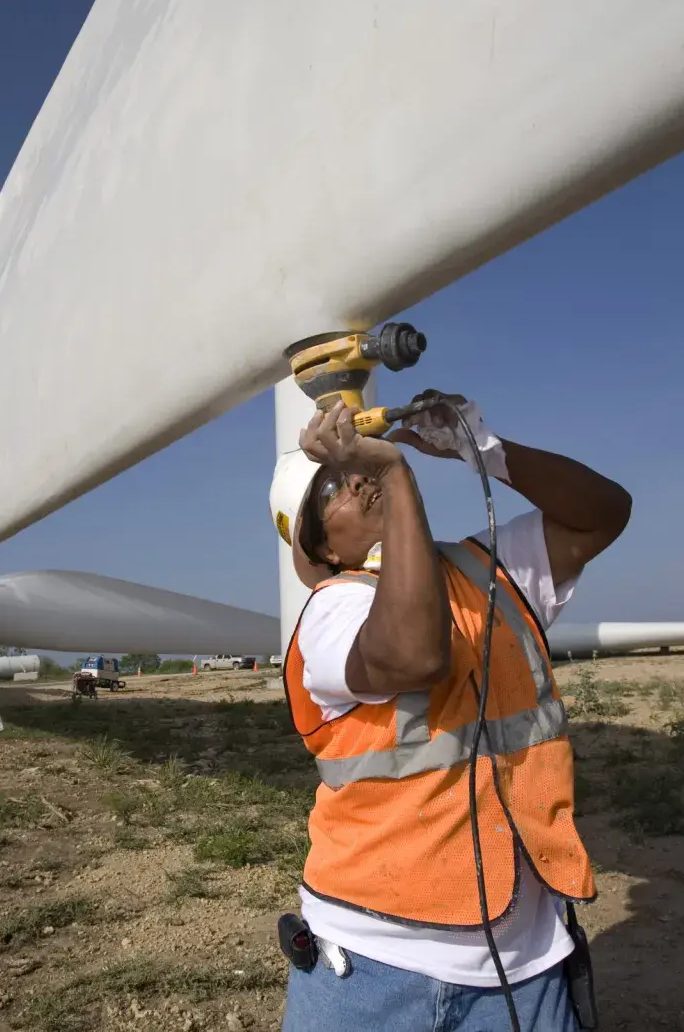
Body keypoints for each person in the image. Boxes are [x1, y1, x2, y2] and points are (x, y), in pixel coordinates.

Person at [269, 392, 631, 1032]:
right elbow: (414, 655)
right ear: (323, 550)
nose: (357, 478)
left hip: (526, 963)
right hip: (373, 965)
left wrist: (483, 451)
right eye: (335, 489)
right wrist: (395, 472)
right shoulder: (332, 613)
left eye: (358, 469)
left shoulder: (487, 572)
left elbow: (604, 514)